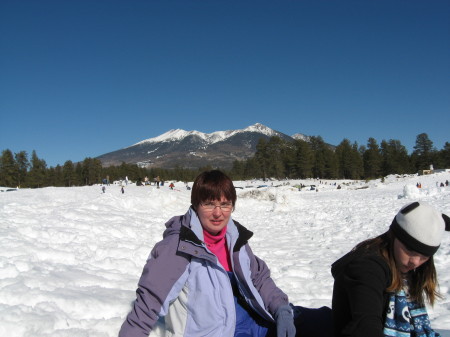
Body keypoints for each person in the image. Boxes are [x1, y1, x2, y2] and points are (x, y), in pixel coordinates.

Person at [118, 170, 298, 337]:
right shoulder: (179, 247)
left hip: (255, 324)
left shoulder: (234, 238)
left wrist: (281, 309)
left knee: (320, 321)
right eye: (209, 204)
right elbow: (149, 303)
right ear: (196, 205)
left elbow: (259, 278)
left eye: (225, 204)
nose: (218, 213)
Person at [331, 201, 450, 337]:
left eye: (424, 256)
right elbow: (365, 327)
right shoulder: (366, 268)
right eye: (409, 250)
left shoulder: (401, 264)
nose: (415, 262)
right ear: (394, 235)